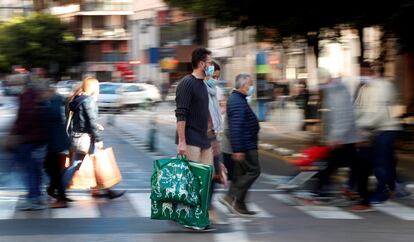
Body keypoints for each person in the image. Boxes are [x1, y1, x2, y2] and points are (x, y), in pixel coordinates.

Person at [63, 76, 124, 199]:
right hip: (86, 139)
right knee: (89, 163)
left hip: (78, 137)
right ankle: (59, 189)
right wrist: (98, 139)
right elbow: (91, 120)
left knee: (82, 164)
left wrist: (96, 125)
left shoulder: (78, 99)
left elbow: (82, 120)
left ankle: (103, 190)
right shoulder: (89, 100)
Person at [175, 47, 215, 231]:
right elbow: (181, 114)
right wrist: (182, 141)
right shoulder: (186, 83)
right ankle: (192, 218)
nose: (211, 66)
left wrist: (211, 132)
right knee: (194, 181)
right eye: (209, 62)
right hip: (190, 138)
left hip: (204, 139)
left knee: (207, 178)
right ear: (201, 64)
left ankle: (197, 215)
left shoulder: (204, 84)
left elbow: (203, 110)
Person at [354, 64, 402, 204]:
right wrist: (356, 125)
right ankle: (392, 187)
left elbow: (379, 111)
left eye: (364, 73)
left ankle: (383, 191)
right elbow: (358, 108)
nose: (362, 76)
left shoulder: (383, 86)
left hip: (387, 128)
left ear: (371, 72)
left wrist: (362, 125)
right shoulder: (364, 89)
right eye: (360, 73)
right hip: (374, 130)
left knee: (380, 163)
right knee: (385, 161)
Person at [220, 73, 261, 216]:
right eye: (250, 84)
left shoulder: (239, 99)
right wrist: (237, 150)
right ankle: (230, 196)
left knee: (242, 173)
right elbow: (235, 127)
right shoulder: (237, 101)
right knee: (254, 171)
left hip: (246, 143)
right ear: (244, 86)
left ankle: (239, 204)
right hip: (245, 145)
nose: (252, 87)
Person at [11, 79, 48, 210]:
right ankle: (36, 196)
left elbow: (25, 118)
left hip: (28, 139)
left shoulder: (26, 96)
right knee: (35, 169)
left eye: (13, 84)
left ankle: (33, 198)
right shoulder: (36, 96)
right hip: (38, 139)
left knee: (29, 169)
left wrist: (16, 132)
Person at [205, 61, 228, 224]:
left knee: (216, 175)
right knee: (208, 175)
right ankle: (206, 209)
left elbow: (221, 110)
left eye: (218, 77)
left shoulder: (217, 90)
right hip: (203, 137)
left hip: (213, 135)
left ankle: (208, 207)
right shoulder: (199, 89)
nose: (216, 80)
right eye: (213, 76)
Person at [44, 87, 71, 208]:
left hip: (54, 142)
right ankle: (56, 192)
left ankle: (61, 197)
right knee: (51, 168)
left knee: (53, 169)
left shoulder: (53, 102)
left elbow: (52, 117)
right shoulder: (56, 101)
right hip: (55, 141)